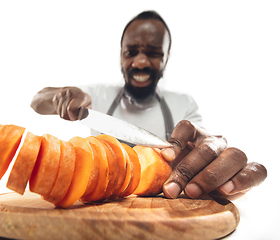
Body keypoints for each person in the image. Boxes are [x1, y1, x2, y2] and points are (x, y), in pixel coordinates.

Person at [30, 10, 267, 200]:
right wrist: (60, 96)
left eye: (153, 53)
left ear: (166, 57)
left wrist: (212, 162)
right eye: (131, 52)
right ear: (121, 55)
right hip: (102, 201)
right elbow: (36, 102)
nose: (141, 62)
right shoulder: (96, 96)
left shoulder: (183, 104)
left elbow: (201, 151)